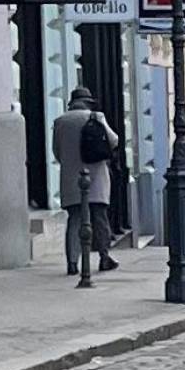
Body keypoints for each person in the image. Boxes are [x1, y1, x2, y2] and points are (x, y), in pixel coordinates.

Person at [52, 87, 119, 276]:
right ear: (88, 102)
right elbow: (114, 140)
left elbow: (56, 152)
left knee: (74, 220)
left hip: (71, 178)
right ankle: (104, 257)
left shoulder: (60, 122)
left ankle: (72, 263)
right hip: (96, 175)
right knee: (99, 219)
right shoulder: (96, 117)